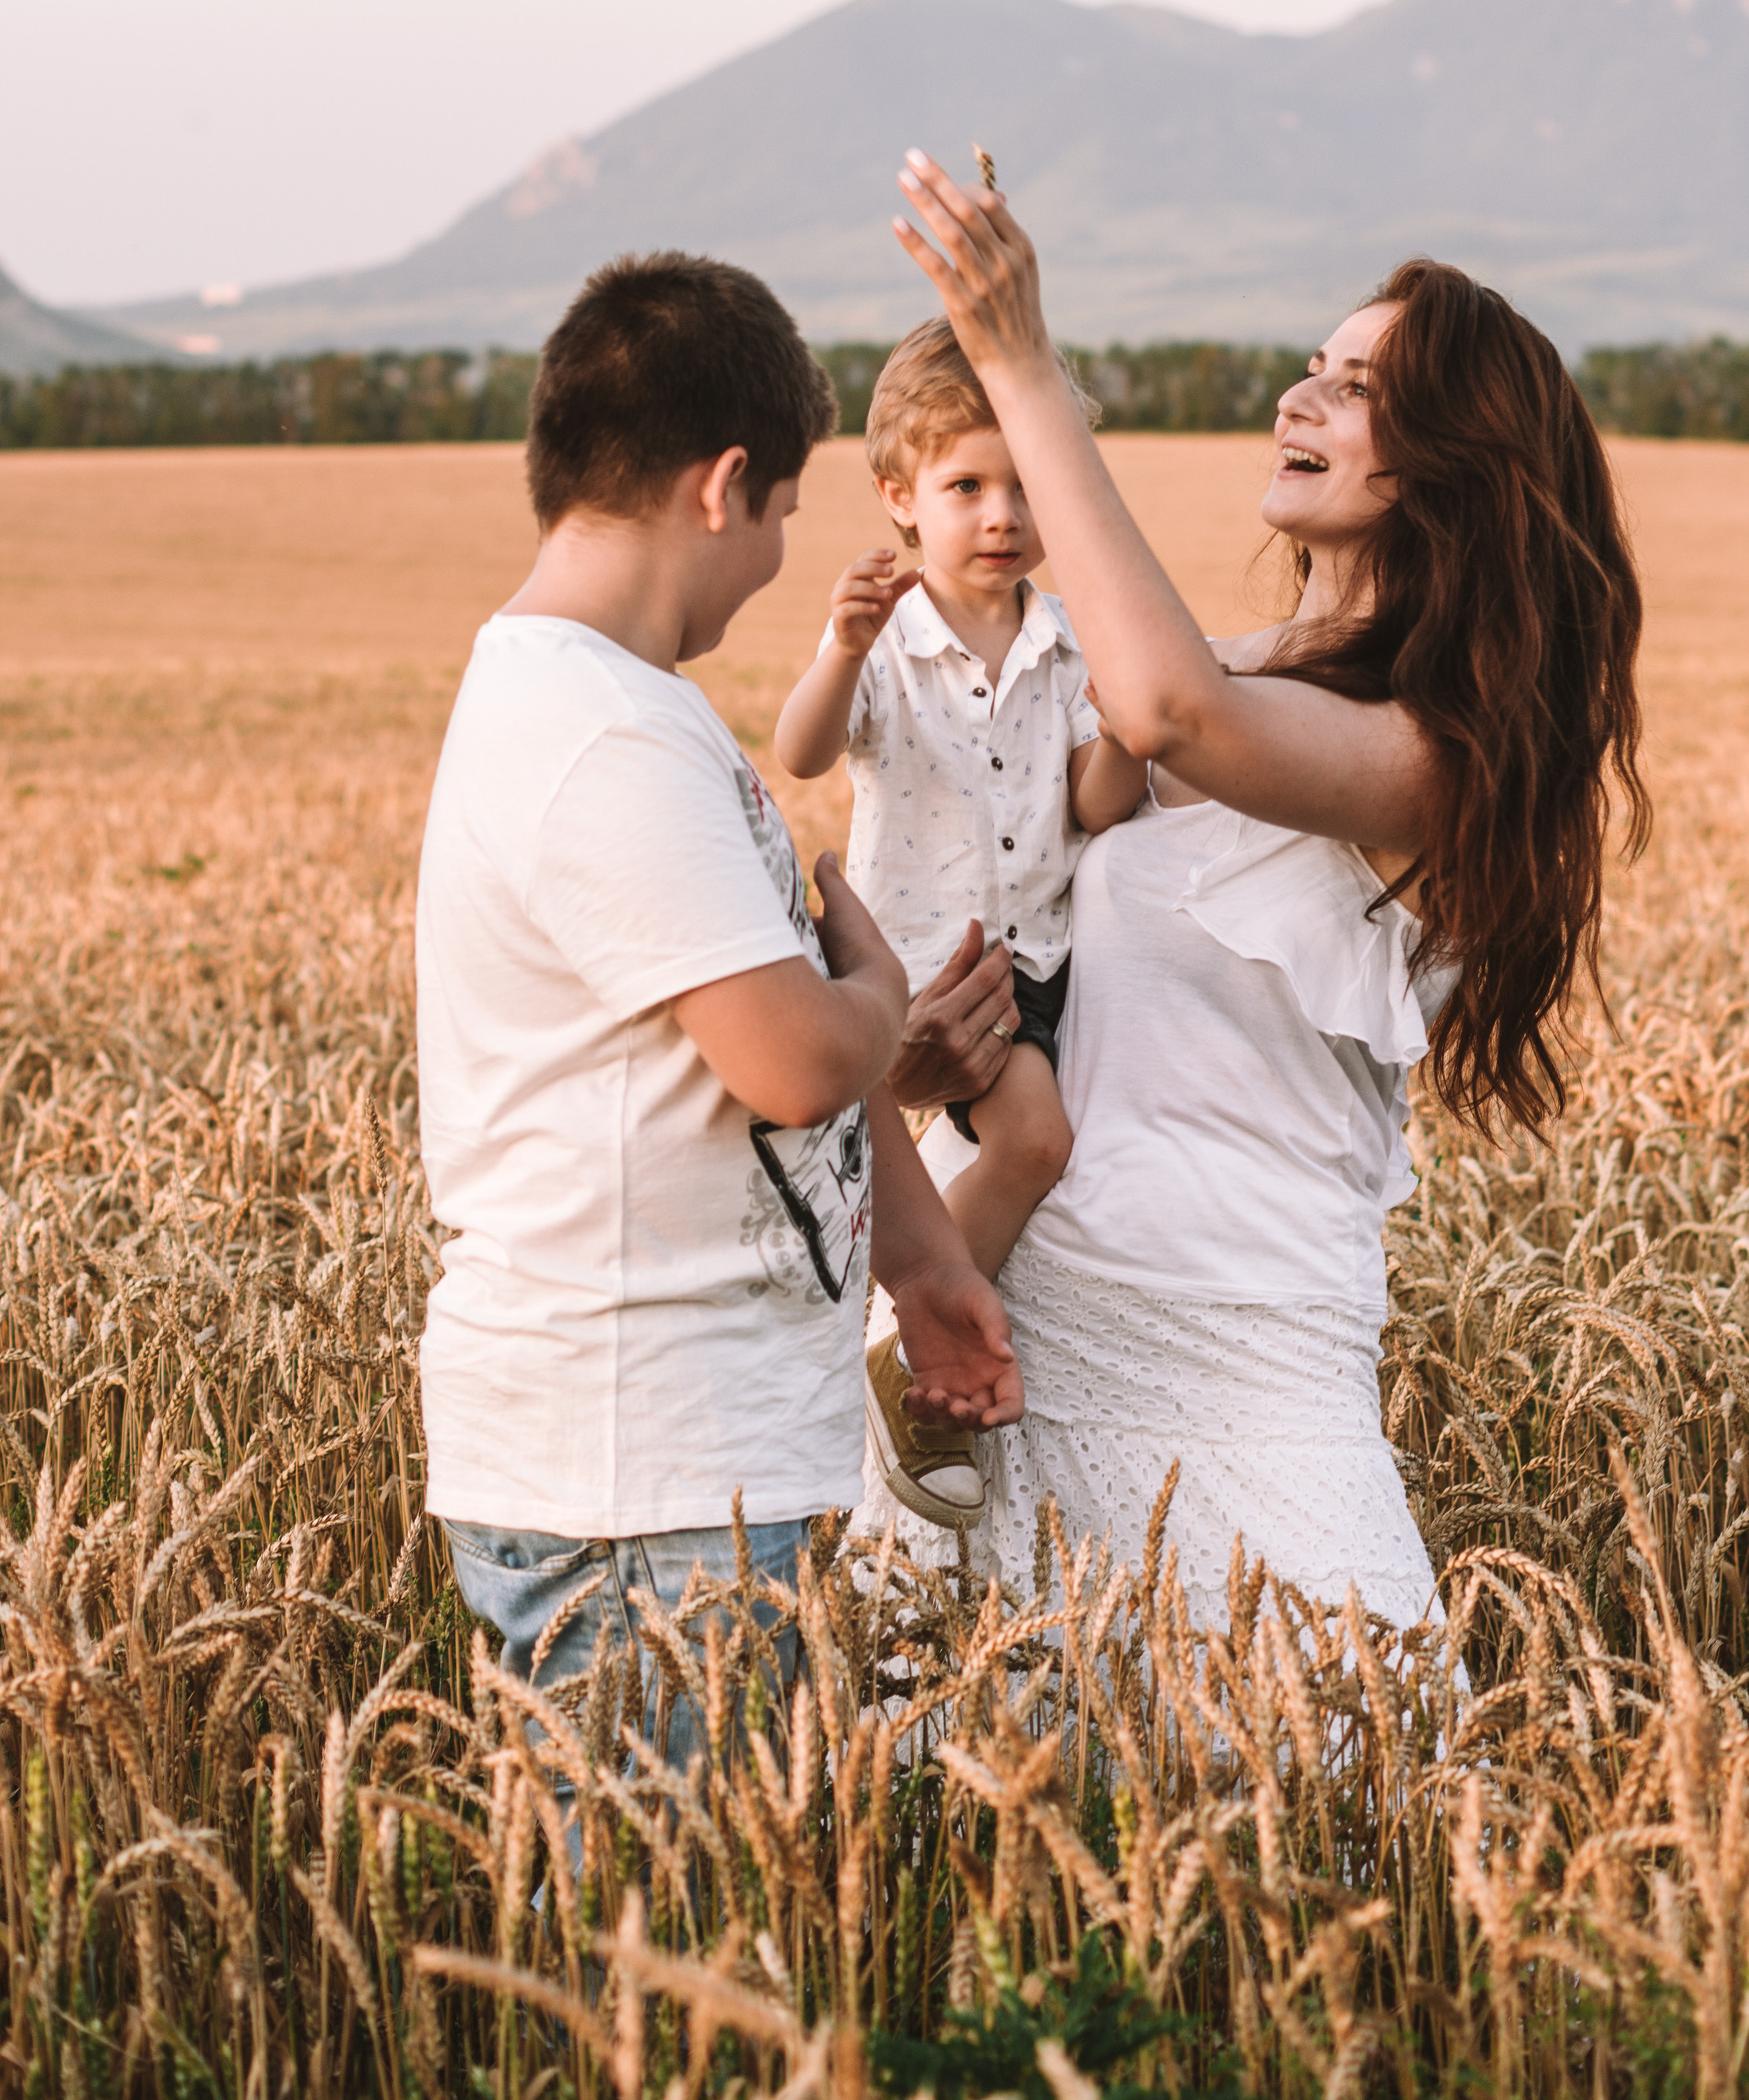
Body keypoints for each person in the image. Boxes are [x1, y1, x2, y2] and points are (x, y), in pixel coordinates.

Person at [874, 153, 1648, 1626]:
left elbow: (1168, 714)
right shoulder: (1228, 660)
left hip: (1245, 1367)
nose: (1300, 401)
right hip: (1019, 1338)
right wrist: (946, 1055)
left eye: (1354, 389)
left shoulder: (1441, 753)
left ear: (1445, 460)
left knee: (1359, 1811)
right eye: (1312, 369)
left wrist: (1017, 363)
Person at [415, 251, 1022, 1734]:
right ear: (722, 483)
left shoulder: (627, 712)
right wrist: (880, 988)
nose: (772, 561)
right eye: (787, 514)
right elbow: (798, 1060)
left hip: (691, 1469)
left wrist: (926, 1267)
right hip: (641, 1490)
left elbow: (749, 1075)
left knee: (710, 1932)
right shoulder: (600, 738)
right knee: (661, 1946)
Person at [773, 318, 1147, 1527]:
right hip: (900, 964)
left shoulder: (1067, 638)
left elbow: (1092, 804)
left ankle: (906, 1345)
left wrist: (1136, 726)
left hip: (1027, 963)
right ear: (900, 498)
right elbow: (802, 749)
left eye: (1027, 485)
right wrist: (839, 645)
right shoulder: (889, 640)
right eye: (967, 486)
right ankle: (873, 1342)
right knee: (832, 1176)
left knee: (1035, 1142)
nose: (1002, 514)